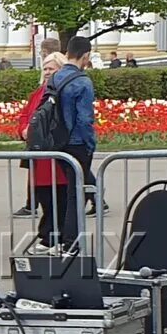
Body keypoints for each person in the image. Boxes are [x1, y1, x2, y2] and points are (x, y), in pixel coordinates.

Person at [18, 53, 68, 252]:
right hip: (38, 158)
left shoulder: (63, 93)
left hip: (56, 156)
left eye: (51, 68)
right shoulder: (37, 93)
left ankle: (54, 238)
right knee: (44, 199)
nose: (47, 72)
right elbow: (24, 116)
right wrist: (23, 129)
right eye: (45, 69)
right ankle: (48, 236)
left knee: (59, 200)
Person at [52, 36, 98, 248]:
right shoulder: (83, 81)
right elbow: (84, 119)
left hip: (57, 142)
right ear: (86, 55)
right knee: (75, 194)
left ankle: (63, 236)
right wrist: (90, 144)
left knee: (65, 193)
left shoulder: (54, 78)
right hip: (77, 142)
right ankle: (72, 240)